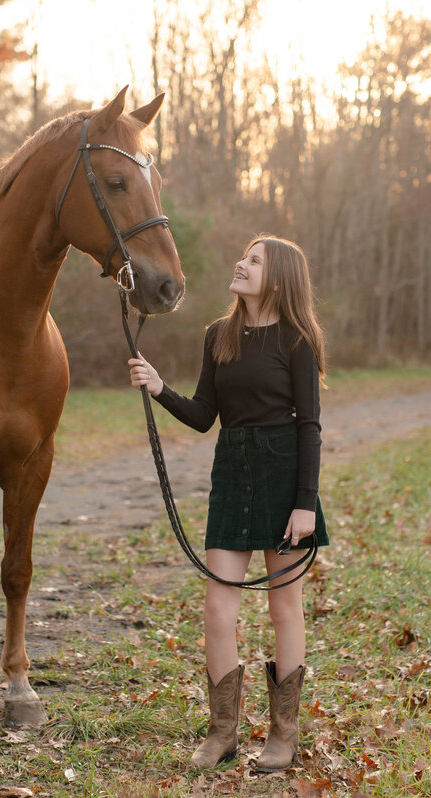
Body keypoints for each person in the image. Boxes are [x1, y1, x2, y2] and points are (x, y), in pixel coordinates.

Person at [127, 234, 328, 772]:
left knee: (284, 607)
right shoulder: (220, 335)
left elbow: (309, 427)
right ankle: (223, 733)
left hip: (285, 476)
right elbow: (203, 414)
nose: (241, 263)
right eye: (242, 256)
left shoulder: (296, 340)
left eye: (254, 260)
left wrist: (304, 504)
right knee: (218, 609)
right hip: (231, 472)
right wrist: (159, 387)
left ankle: (284, 734)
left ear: (279, 277)